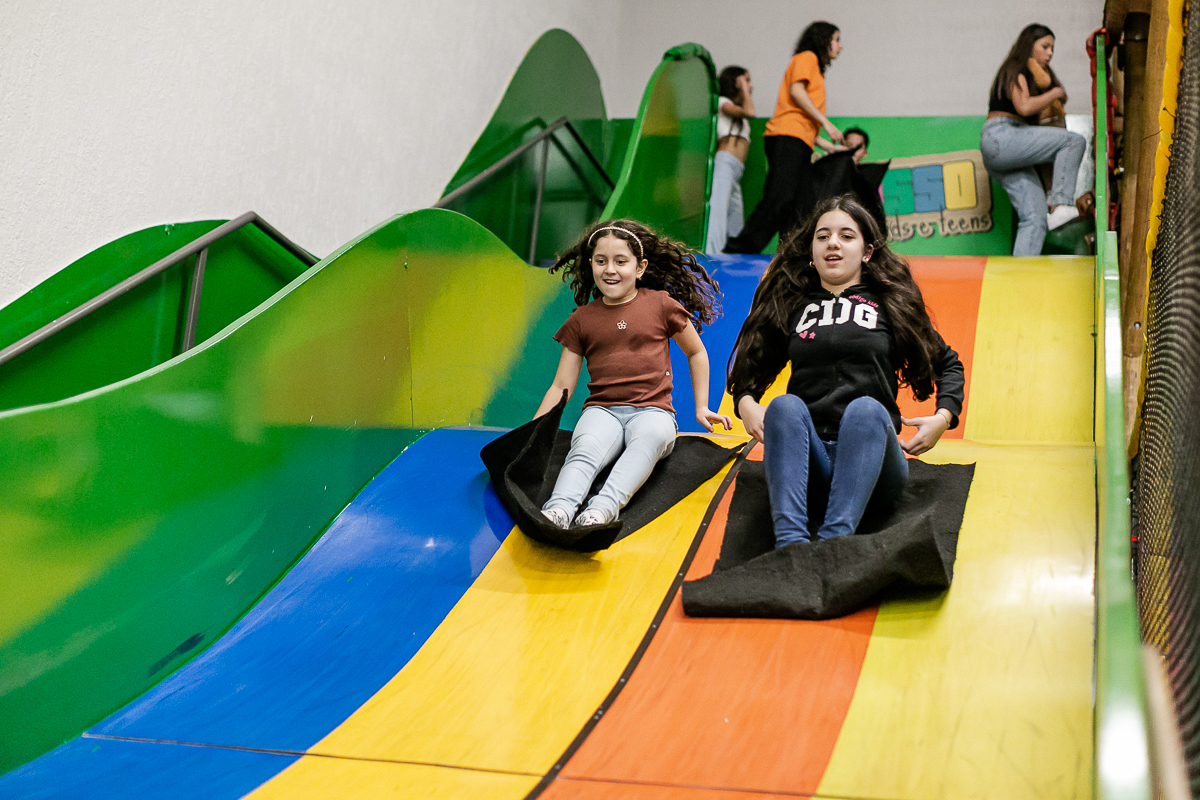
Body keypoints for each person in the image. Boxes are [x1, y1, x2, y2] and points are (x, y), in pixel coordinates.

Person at [727, 196, 965, 547]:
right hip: (813, 464)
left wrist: (943, 417)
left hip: (874, 468)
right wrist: (745, 403)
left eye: (846, 236)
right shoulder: (794, 304)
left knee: (867, 409)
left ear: (867, 252)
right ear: (811, 250)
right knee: (784, 406)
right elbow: (750, 364)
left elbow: (948, 363)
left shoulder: (889, 304)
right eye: (822, 236)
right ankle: (790, 544)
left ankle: (834, 541)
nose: (833, 243)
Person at [536, 220, 732, 529]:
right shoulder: (582, 319)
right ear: (591, 265)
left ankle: (602, 509)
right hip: (603, 410)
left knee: (649, 439)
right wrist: (535, 430)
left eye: (620, 261)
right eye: (601, 261)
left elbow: (696, 352)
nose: (609, 269)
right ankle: (558, 508)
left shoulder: (660, 305)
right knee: (585, 446)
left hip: (654, 412)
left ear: (640, 268)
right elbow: (561, 385)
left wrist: (702, 406)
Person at [725, 22, 846, 255]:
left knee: (800, 204)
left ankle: (791, 254)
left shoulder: (817, 69)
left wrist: (827, 146)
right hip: (785, 137)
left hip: (798, 139)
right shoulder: (807, 57)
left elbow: (803, 122)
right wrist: (826, 123)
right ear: (824, 40)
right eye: (837, 39)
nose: (840, 46)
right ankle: (741, 247)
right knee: (780, 197)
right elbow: (796, 92)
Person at [981, 24, 1087, 256]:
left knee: (1035, 219)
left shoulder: (1026, 73)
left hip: (1004, 151)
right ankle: (1061, 204)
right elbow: (1025, 106)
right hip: (1002, 135)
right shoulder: (1015, 68)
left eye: (1052, 49)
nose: (1050, 53)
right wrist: (1055, 93)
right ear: (1029, 46)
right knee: (1073, 142)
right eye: (1045, 46)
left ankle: (1020, 281)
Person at [706, 66, 756, 255]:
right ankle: (711, 259)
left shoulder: (737, 109)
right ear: (736, 83)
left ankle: (734, 257)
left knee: (736, 219)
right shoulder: (722, 102)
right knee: (717, 215)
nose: (751, 86)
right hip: (725, 163)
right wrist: (743, 87)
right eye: (747, 81)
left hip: (736, 169)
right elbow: (750, 112)